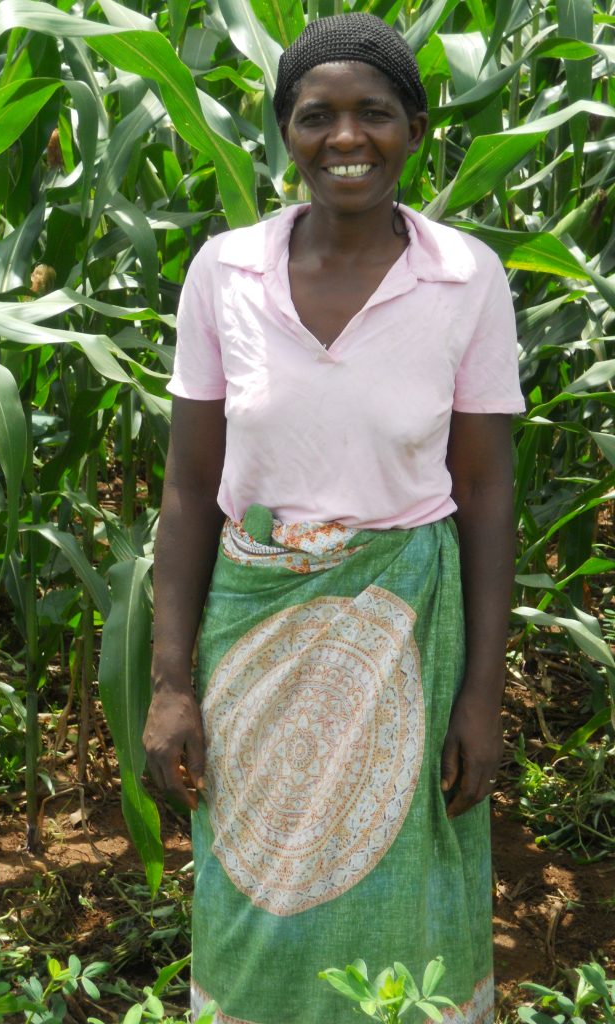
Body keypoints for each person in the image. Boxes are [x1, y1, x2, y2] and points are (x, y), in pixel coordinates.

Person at [143, 12, 525, 1024]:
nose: (345, 138)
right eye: (317, 116)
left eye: (375, 114)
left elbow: (486, 494)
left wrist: (482, 696)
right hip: (250, 623)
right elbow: (188, 487)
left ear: (416, 128)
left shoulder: (464, 280)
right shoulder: (226, 274)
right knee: (253, 892)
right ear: (285, 131)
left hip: (408, 629)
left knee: (407, 905)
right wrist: (170, 682)